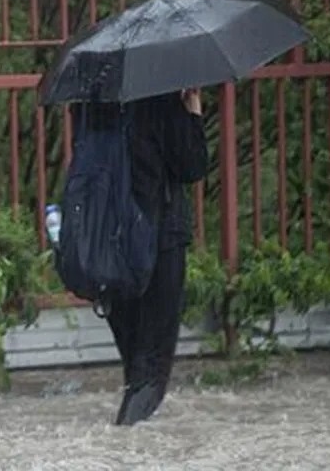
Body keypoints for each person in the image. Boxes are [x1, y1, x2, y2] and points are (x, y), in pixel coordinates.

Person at [97, 88, 208, 425]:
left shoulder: (93, 103)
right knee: (152, 364)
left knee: (135, 358)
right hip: (160, 239)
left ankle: (131, 426)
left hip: (109, 239)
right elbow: (193, 165)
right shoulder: (161, 99)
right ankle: (128, 437)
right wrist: (193, 111)